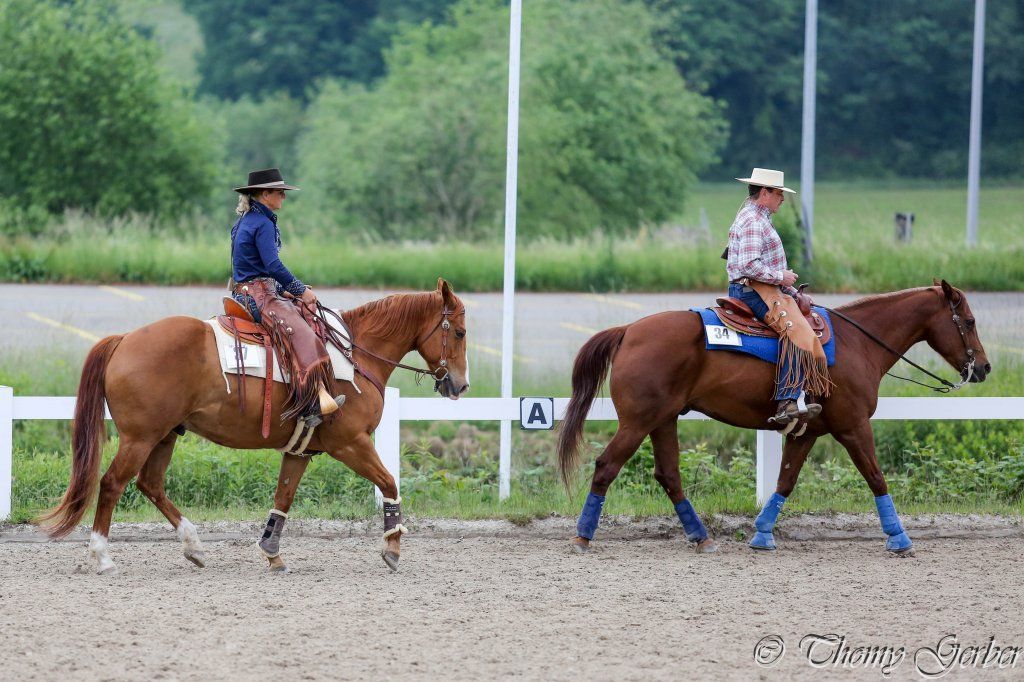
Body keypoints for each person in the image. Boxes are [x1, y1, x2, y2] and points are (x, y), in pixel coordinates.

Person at [229, 168, 343, 428]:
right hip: (259, 297)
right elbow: (272, 265)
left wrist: (283, 290)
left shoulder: (246, 220)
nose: (284, 196)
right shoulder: (263, 223)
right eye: (279, 192)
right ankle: (311, 403)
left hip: (247, 292)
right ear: (264, 194)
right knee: (304, 334)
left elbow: (251, 268)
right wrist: (301, 290)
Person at [724, 167, 830, 427]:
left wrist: (792, 292)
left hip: (761, 288)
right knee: (795, 329)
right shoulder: (753, 221)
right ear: (764, 193)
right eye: (778, 193)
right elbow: (749, 265)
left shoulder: (756, 217)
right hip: (752, 291)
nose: (782, 198)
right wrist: (782, 277)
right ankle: (787, 400)